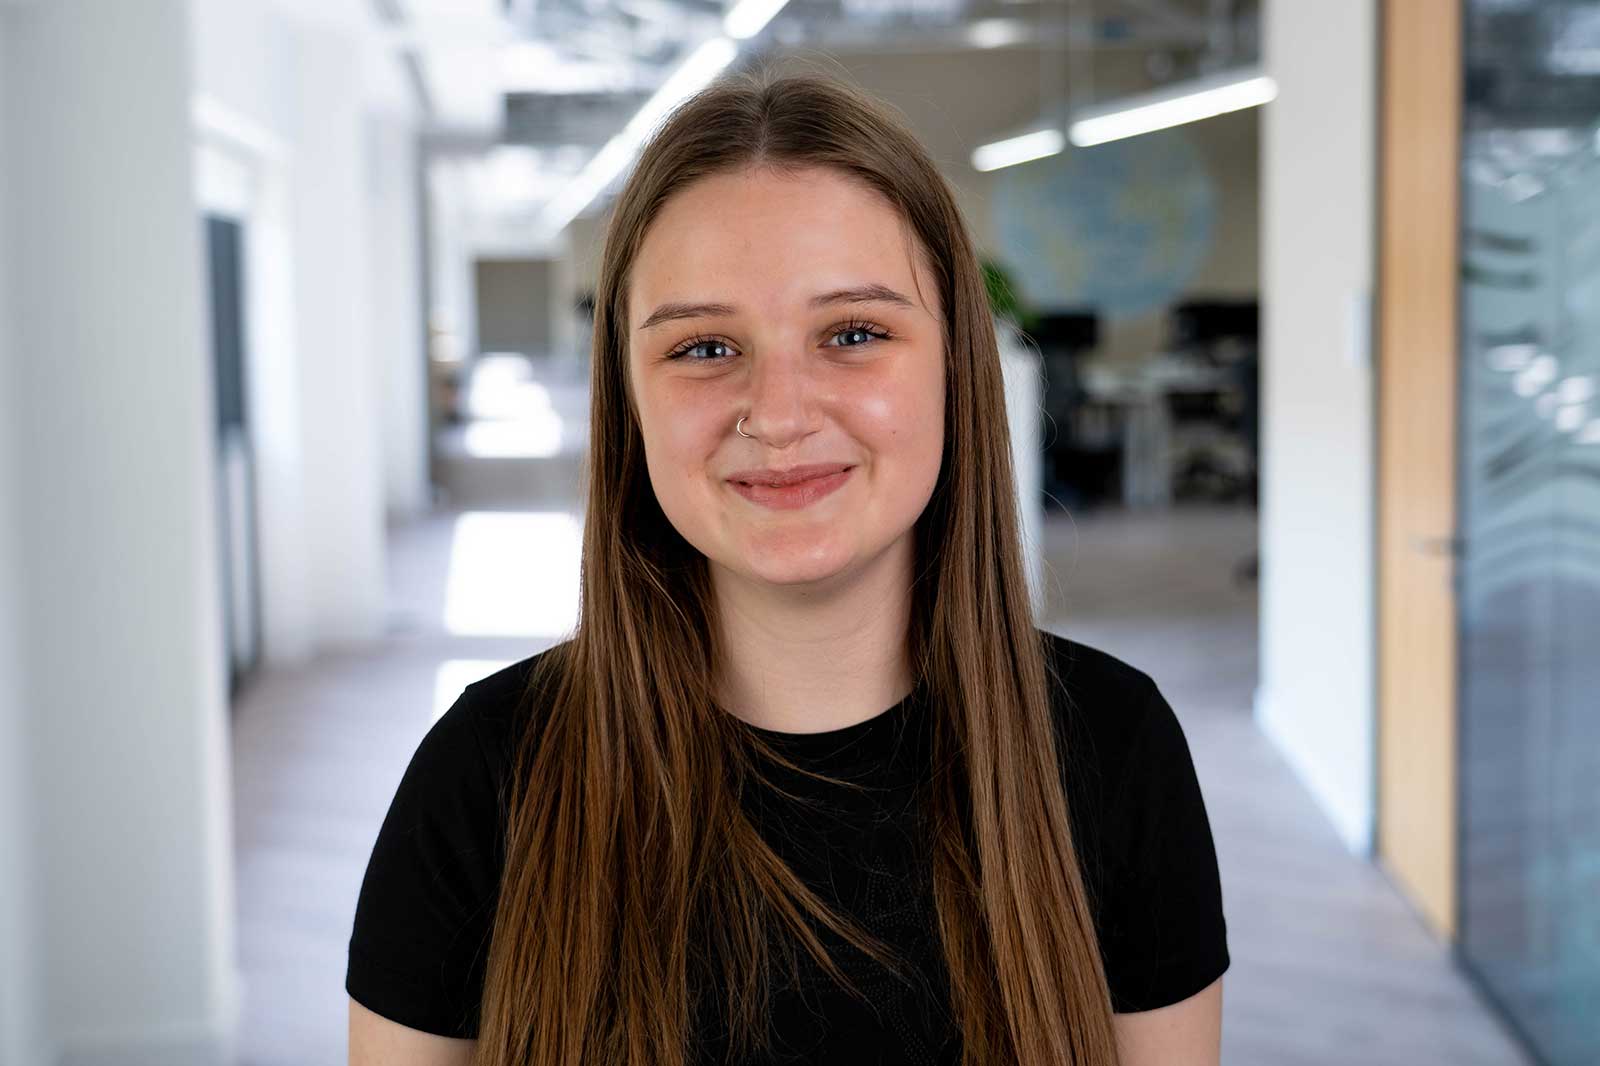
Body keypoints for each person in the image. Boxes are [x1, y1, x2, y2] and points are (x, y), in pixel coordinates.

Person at [346, 68, 1228, 1066]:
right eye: (705, 346)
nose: (777, 413)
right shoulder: (484, 777)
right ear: (628, 401)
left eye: (853, 333)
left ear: (955, 367)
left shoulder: (1113, 750)